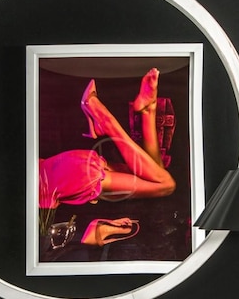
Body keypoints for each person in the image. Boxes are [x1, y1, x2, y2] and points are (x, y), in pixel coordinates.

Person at [38, 68, 176, 213]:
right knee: (156, 174)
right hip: (64, 171)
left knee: (166, 185)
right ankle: (148, 110)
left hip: (67, 178)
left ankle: (106, 121)